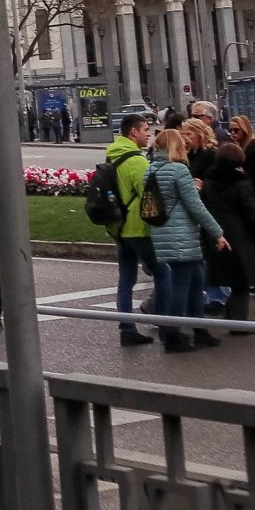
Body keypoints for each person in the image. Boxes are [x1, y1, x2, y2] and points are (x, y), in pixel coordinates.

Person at [142, 128, 229, 351]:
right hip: (182, 234)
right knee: (182, 285)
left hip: (162, 232)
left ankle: (199, 330)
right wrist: (217, 232)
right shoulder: (179, 170)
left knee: (196, 281)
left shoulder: (150, 170)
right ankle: (173, 334)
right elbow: (195, 207)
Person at [100, 114, 160, 345]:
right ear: (133, 132)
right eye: (145, 129)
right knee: (162, 273)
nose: (148, 134)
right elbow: (150, 192)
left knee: (126, 279)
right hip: (138, 228)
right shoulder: (137, 161)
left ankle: (127, 328)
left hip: (118, 227)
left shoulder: (112, 155)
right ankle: (165, 320)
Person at [200, 139, 255, 323]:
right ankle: (238, 321)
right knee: (242, 281)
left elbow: (204, 205)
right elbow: (252, 211)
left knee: (229, 277)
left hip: (216, 234)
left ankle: (230, 315)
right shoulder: (242, 183)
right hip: (241, 236)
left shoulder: (209, 181)